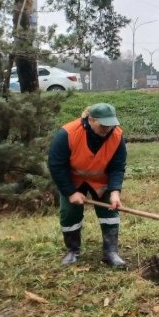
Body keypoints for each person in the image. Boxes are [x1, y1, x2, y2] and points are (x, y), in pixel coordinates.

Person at [48, 103, 127, 267]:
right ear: (91, 119)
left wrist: (114, 192)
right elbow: (56, 165)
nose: (107, 129)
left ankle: (110, 252)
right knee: (69, 214)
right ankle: (72, 251)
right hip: (73, 180)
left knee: (110, 213)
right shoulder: (68, 133)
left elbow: (117, 166)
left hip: (101, 180)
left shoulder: (117, 136)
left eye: (110, 124)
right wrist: (70, 192)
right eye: (103, 125)